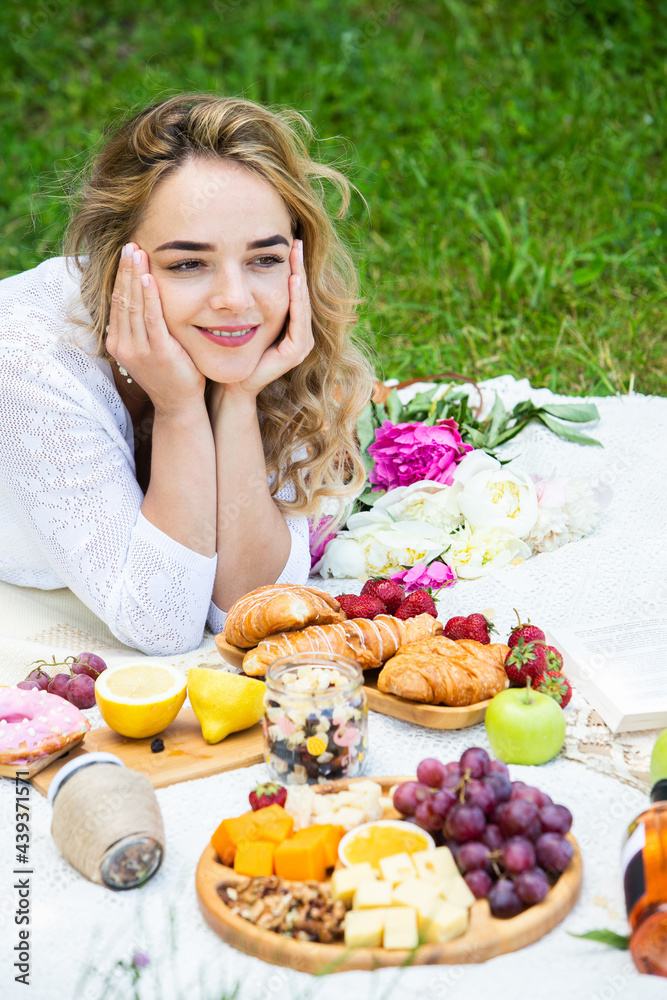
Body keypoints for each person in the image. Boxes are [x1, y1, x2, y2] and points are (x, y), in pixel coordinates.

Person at [0, 93, 374, 655]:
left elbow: (250, 608)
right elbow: (163, 625)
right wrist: (178, 409)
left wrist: (240, 399)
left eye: (265, 259)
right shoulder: (30, 358)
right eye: (188, 263)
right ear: (116, 262)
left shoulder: (271, 346)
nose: (235, 300)